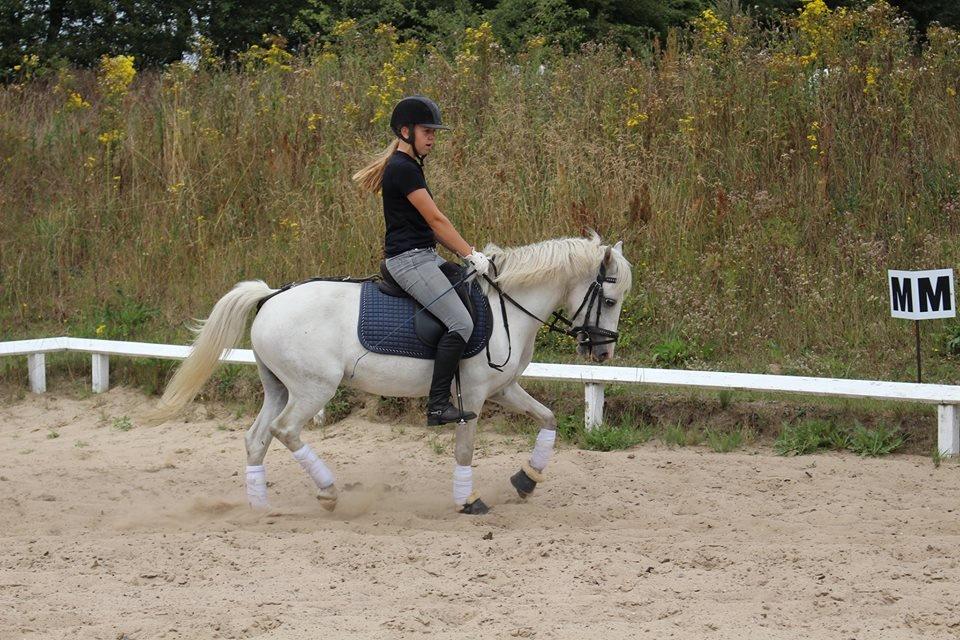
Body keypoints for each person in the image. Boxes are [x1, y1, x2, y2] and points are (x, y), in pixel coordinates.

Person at [352, 95, 490, 426]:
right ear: (405, 131)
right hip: (410, 262)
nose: (432, 138)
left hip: (424, 256)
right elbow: (437, 220)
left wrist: (465, 253)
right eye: (427, 131)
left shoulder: (408, 166)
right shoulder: (403, 169)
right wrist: (470, 253)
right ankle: (438, 404)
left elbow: (431, 227)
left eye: (434, 132)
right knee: (461, 323)